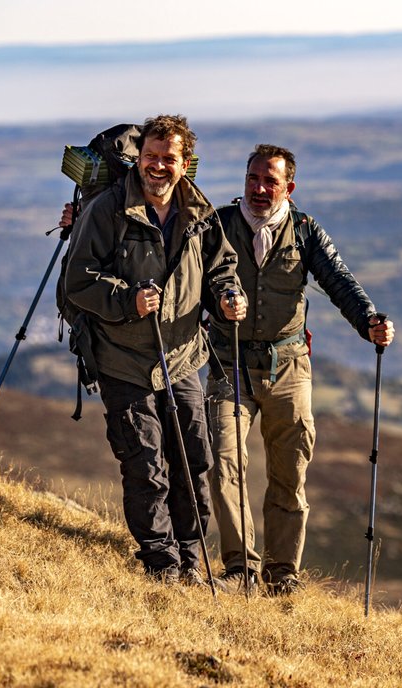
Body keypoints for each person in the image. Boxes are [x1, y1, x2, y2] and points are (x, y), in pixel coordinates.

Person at [62, 114, 247, 585]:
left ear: (186, 163)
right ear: (139, 158)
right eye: (150, 157)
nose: (157, 167)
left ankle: (191, 557)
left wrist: (228, 295)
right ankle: (161, 563)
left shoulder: (198, 213)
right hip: (123, 359)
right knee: (145, 463)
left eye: (168, 159)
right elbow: (77, 281)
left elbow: (220, 267)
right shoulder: (107, 210)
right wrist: (127, 299)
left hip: (182, 357)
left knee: (191, 458)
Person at [206, 144, 394, 595]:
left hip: (289, 366)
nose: (258, 188)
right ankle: (240, 569)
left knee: (290, 471)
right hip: (228, 363)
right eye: (253, 178)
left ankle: (281, 574)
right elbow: (197, 277)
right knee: (223, 463)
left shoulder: (305, 230)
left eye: (270, 181)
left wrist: (368, 320)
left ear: (288, 187)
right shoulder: (216, 226)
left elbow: (338, 280)